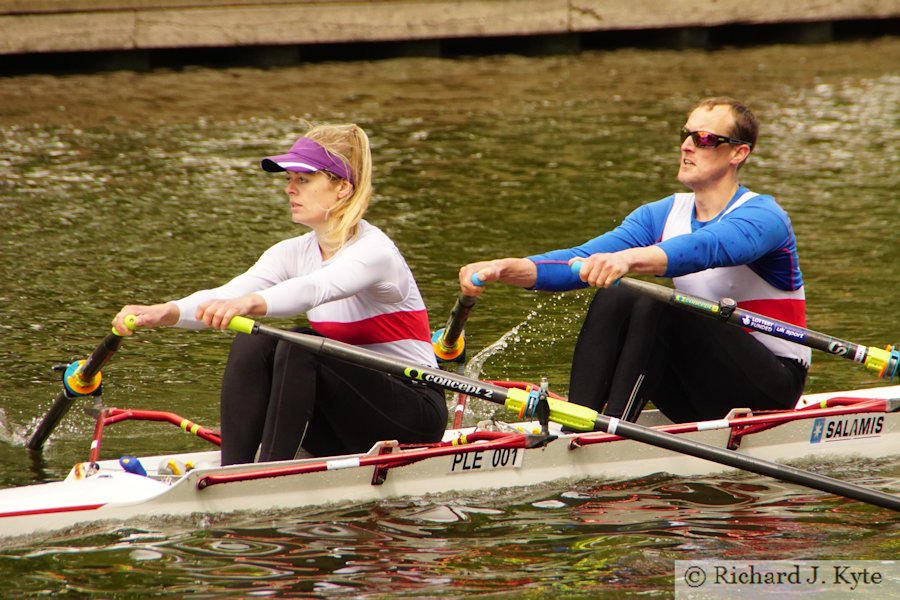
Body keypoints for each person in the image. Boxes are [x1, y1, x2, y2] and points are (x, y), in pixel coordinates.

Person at [458, 97, 809, 424]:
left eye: (703, 138)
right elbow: (579, 260)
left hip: (770, 386)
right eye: (685, 135)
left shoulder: (764, 216)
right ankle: (581, 422)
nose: (687, 146)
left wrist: (627, 261)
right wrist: (506, 268)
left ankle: (609, 432)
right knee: (619, 292)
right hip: (696, 386)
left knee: (656, 301)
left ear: (738, 153)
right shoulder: (661, 214)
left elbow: (707, 247)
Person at [113, 123, 448, 465]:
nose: (289, 189)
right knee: (253, 339)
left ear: (343, 188)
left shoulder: (374, 251)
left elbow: (316, 288)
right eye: (289, 179)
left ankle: (269, 474)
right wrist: (164, 312)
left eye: (302, 180)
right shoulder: (291, 252)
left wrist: (251, 304)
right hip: (345, 416)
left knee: (299, 344)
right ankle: (235, 469)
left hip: (412, 413)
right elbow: (230, 292)